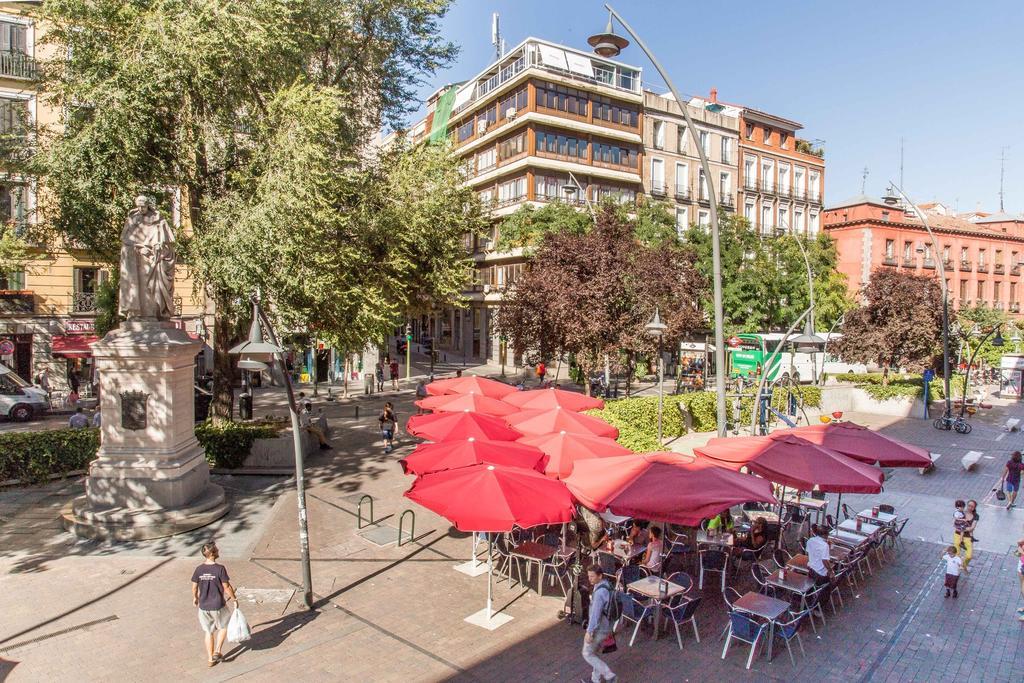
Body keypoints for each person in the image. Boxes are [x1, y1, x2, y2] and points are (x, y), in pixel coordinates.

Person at [190, 542, 236, 667]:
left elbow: (194, 587)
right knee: (224, 626)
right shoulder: (220, 568)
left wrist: (195, 598)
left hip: (203, 607)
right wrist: (234, 598)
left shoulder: (199, 569)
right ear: (211, 554)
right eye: (216, 550)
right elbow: (226, 587)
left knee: (208, 632)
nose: (218, 550)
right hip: (218, 605)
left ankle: (210, 659)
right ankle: (217, 651)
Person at [582, 564, 616, 683]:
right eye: (589, 576)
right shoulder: (607, 584)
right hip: (607, 626)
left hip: (600, 628)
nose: (589, 579)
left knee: (587, 653)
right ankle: (595, 679)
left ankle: (609, 675)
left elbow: (595, 615)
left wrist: (589, 632)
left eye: (592, 576)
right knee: (595, 652)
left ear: (600, 576)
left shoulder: (600, 593)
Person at [961, 500, 979, 572]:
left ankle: (963, 565)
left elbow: (972, 528)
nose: (970, 508)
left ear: (974, 508)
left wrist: (962, 529)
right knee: (957, 554)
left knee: (969, 556)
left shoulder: (976, 516)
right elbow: (956, 524)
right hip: (959, 535)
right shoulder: (961, 513)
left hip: (968, 537)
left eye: (972, 506)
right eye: (969, 505)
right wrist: (963, 529)